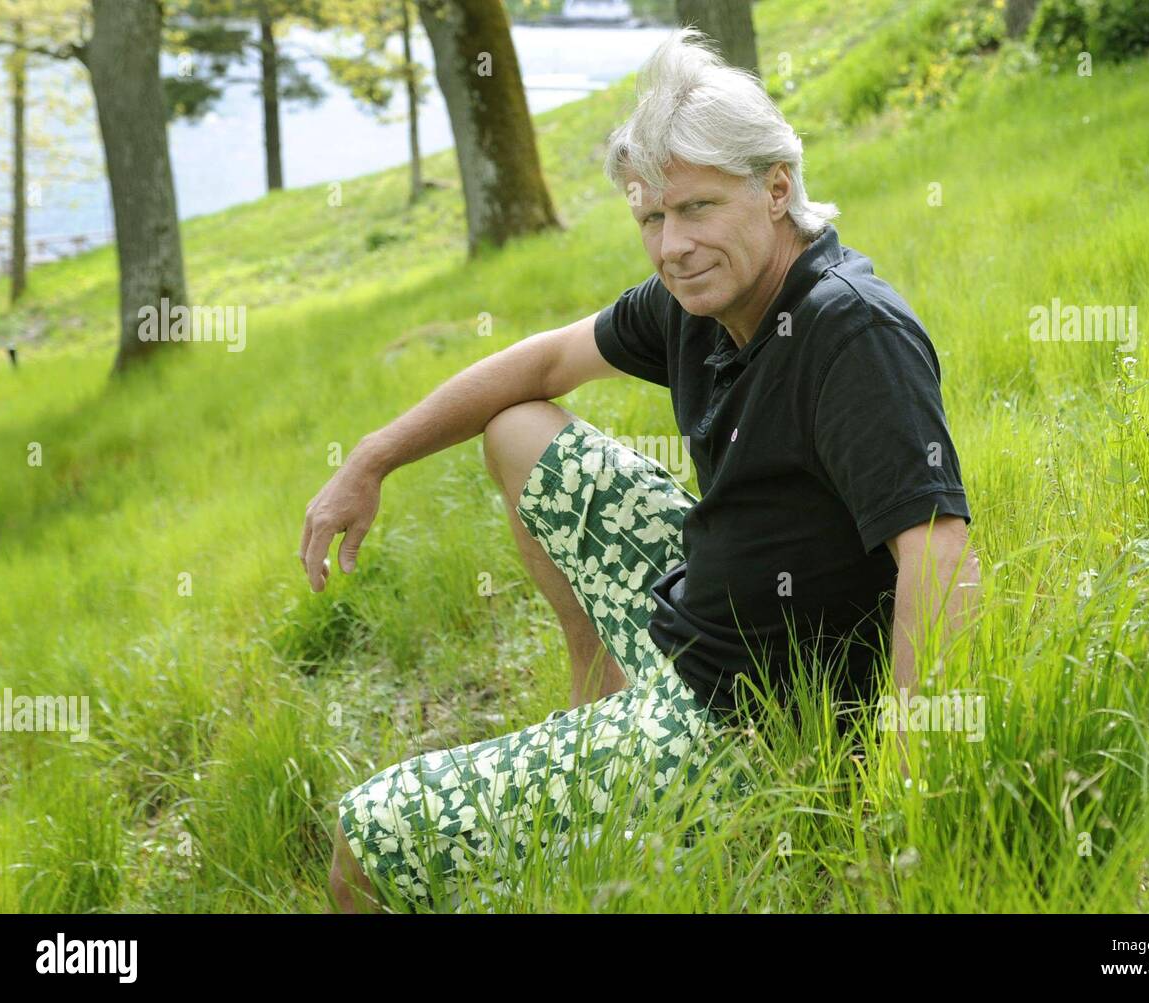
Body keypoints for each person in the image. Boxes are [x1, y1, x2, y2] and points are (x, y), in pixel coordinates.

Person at [302, 27, 980, 913]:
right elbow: (541, 363)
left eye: (696, 208)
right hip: (706, 608)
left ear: (777, 189)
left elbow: (939, 558)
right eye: (650, 218)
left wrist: (906, 792)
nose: (671, 245)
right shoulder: (701, 297)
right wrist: (373, 457)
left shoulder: (849, 331)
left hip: (751, 719)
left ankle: (631, 764)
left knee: (366, 840)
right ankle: (602, 702)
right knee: (517, 431)